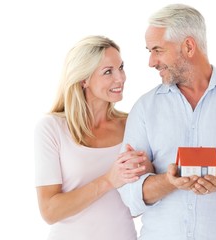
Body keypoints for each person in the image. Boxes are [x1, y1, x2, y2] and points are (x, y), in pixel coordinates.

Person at [118, 4, 216, 240]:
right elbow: (130, 195)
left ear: (189, 46)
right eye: (149, 51)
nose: (151, 62)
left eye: (158, 50)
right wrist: (169, 181)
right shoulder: (144, 107)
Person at [34, 35, 152, 240]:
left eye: (121, 67)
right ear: (83, 79)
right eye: (108, 72)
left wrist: (148, 171)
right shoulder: (52, 128)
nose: (120, 78)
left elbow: (141, 201)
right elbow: (49, 211)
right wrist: (108, 180)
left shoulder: (132, 124)